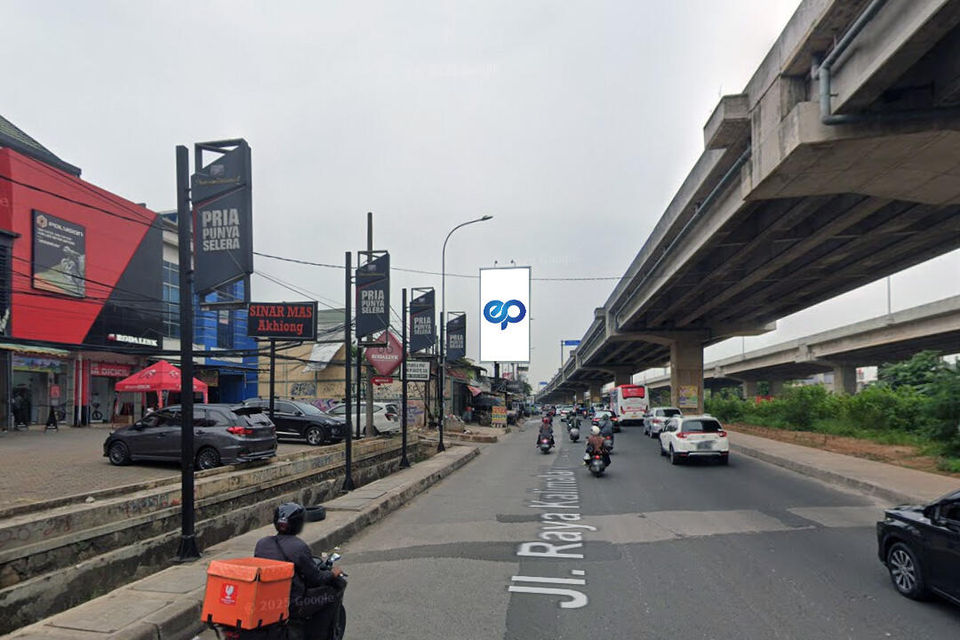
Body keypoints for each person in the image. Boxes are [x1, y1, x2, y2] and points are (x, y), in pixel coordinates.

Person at [254, 503, 344, 640]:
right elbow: (316, 578)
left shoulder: (262, 544)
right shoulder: (299, 547)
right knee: (332, 594)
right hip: (292, 605)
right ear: (298, 524)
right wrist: (333, 573)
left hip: (265, 601)